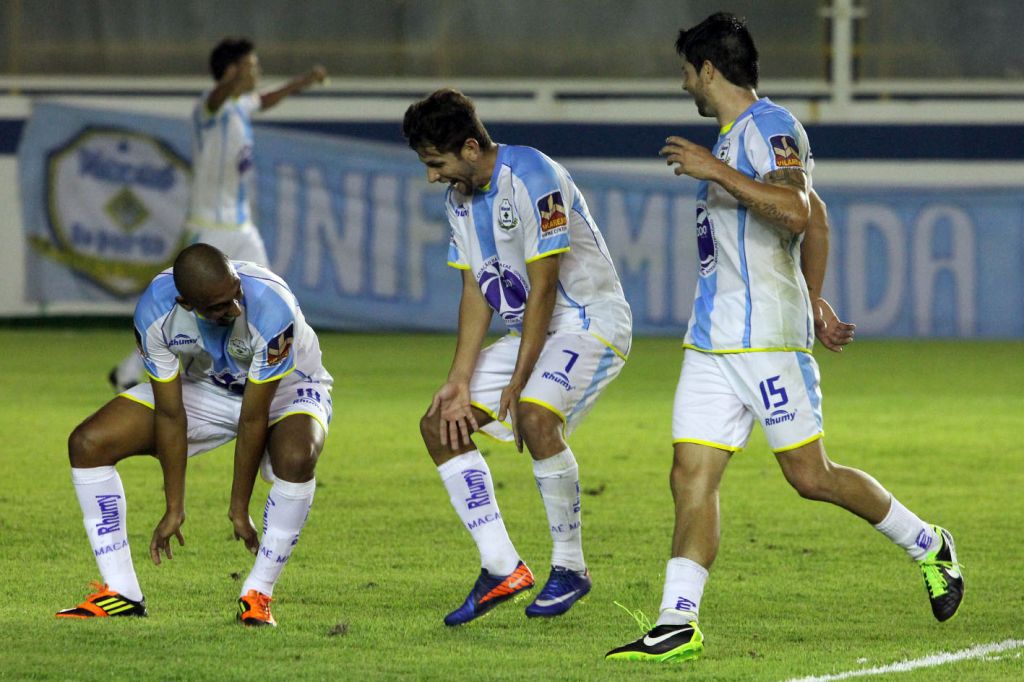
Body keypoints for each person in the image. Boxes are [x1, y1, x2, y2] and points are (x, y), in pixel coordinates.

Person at [605, 13, 963, 662]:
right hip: (713, 340)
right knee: (690, 475)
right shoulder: (733, 137)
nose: (684, 82)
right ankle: (676, 620)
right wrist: (816, 294)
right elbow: (817, 220)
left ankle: (928, 543)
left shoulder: (770, 130)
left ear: (708, 70)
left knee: (810, 476)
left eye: (687, 70)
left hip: (767, 339)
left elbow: (798, 209)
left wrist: (716, 171)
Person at [402, 89, 633, 626]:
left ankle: (571, 567)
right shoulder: (459, 199)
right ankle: (502, 566)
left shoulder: (532, 176)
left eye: (436, 164)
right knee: (440, 425)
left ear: (469, 147)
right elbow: (474, 291)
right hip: (535, 331)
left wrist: (521, 377)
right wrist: (458, 380)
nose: (432, 176)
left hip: (589, 322)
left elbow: (545, 286)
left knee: (534, 414)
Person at [59, 243, 332, 627]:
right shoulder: (155, 314)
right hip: (209, 387)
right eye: (220, 307)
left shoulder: (272, 308)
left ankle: (257, 593)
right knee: (88, 443)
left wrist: (239, 508)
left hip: (286, 390)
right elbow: (171, 414)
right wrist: (174, 507)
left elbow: (253, 420)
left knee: (296, 456)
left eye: (235, 294)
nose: (234, 308)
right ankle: (121, 592)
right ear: (187, 303)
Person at [109, 37, 327, 391]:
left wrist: (303, 81)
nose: (257, 72)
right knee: (182, 307)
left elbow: (266, 99)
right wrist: (232, 79)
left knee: (273, 293)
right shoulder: (209, 108)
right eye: (251, 66)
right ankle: (128, 371)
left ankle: (288, 366)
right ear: (232, 71)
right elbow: (217, 97)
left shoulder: (240, 105)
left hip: (240, 225)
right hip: (208, 228)